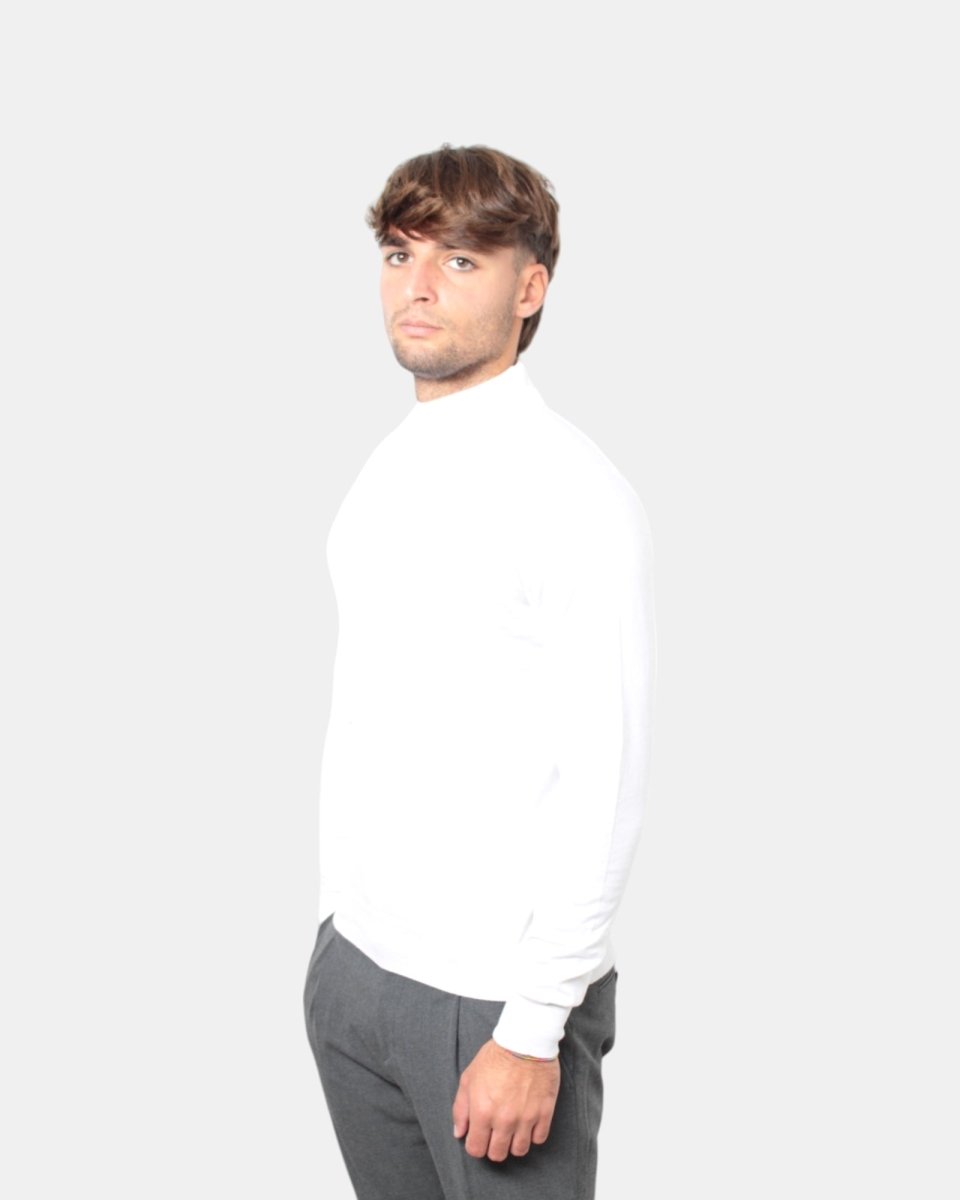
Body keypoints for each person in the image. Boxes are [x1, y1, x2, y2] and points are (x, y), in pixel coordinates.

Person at [302, 143, 657, 1200]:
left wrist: (534, 1025)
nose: (417, 285)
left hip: (492, 1005)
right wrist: (336, 940)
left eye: (460, 260)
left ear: (529, 288)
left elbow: (608, 779)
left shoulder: (573, 496)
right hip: (359, 970)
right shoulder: (396, 460)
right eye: (399, 254)